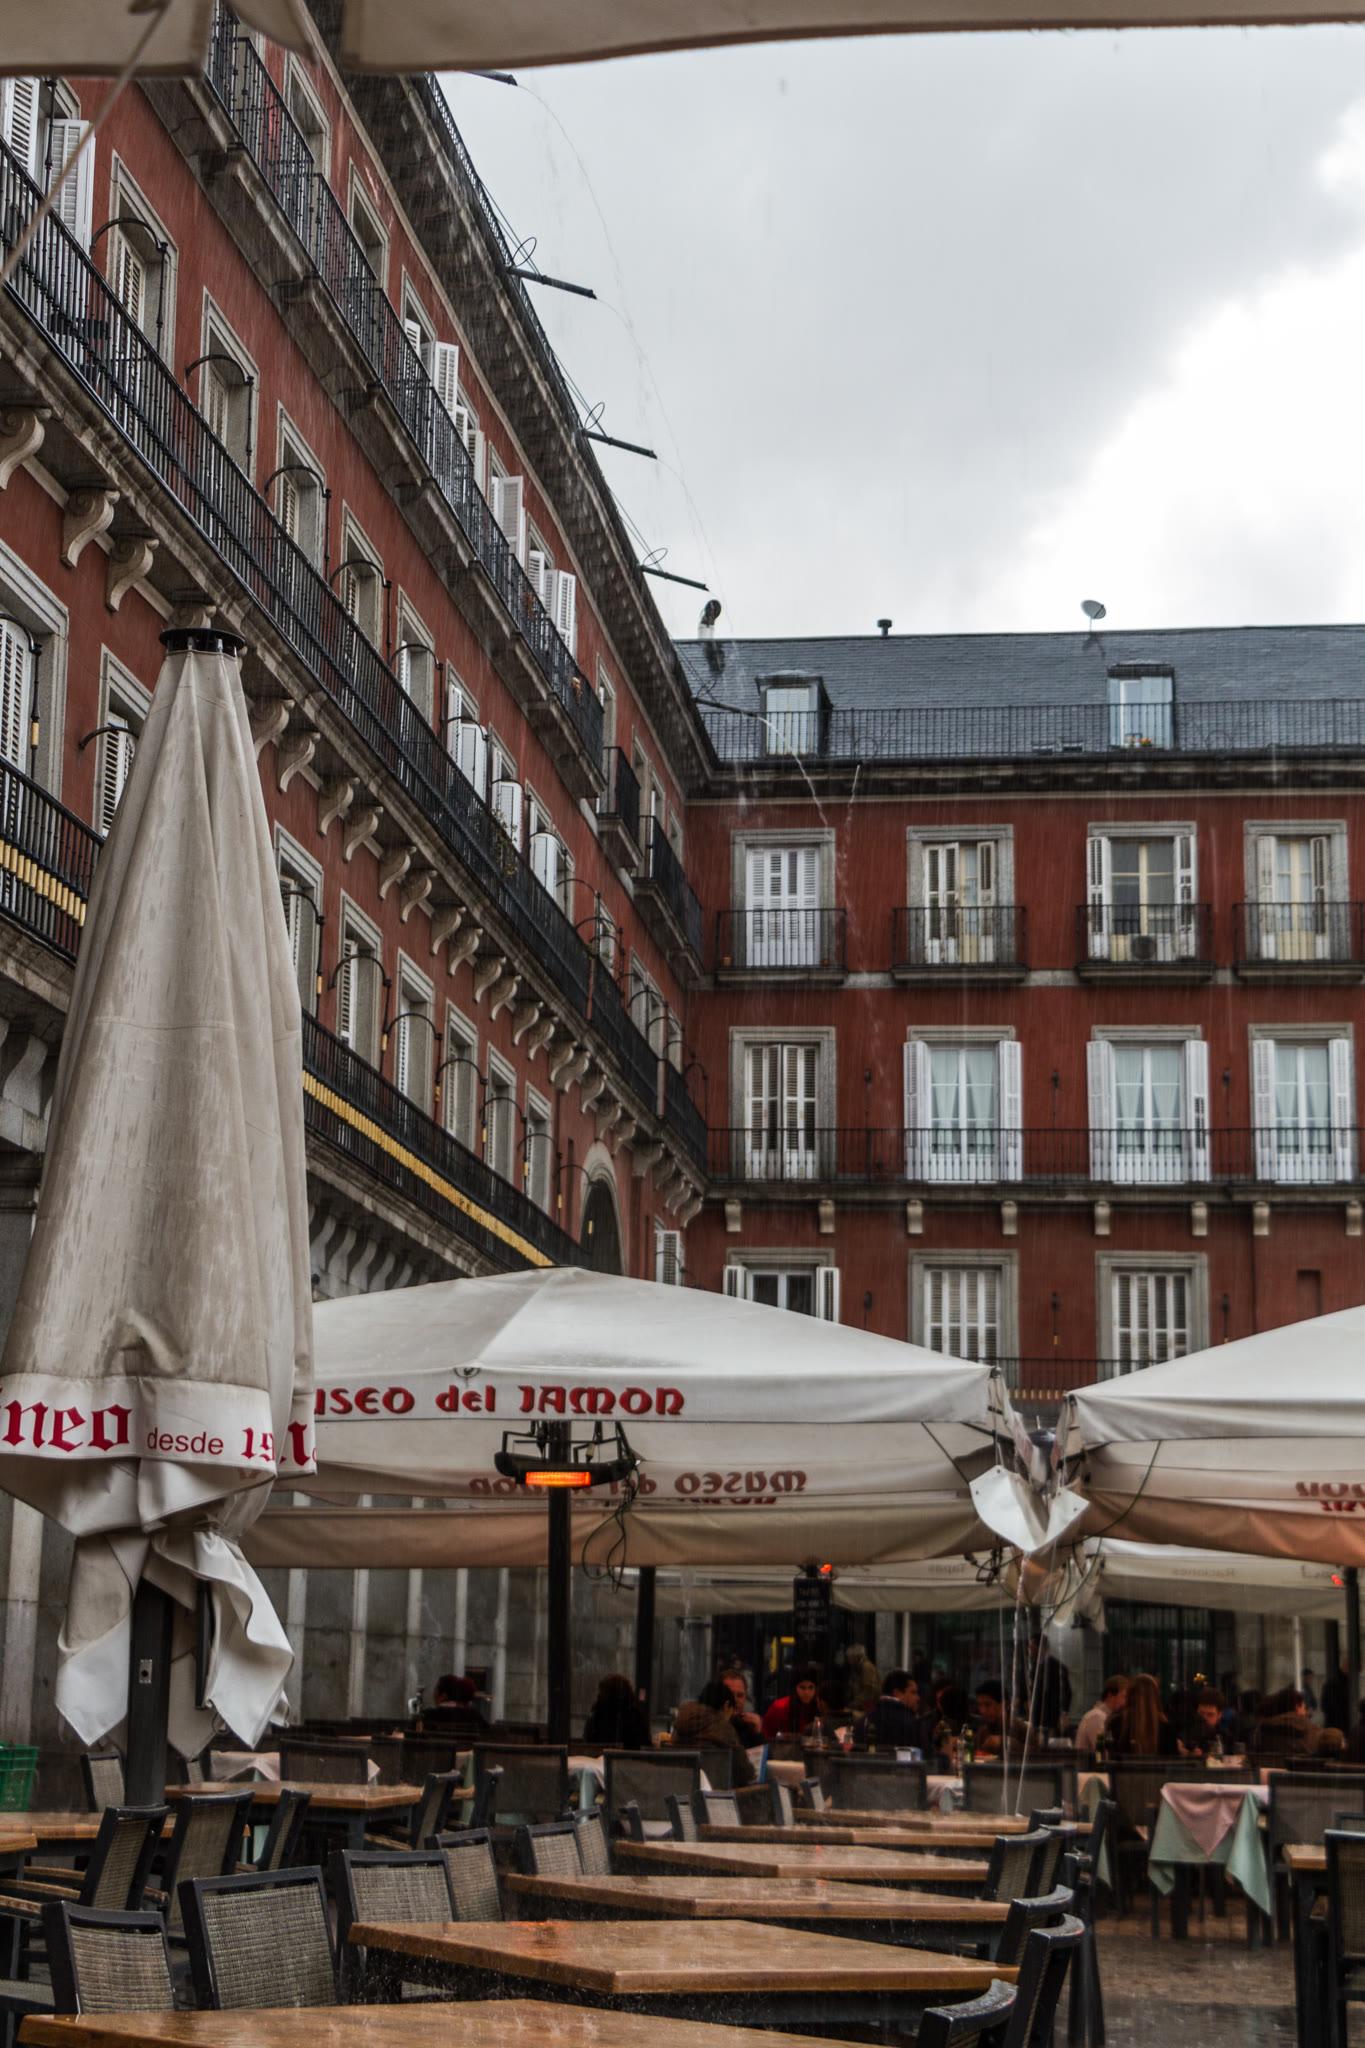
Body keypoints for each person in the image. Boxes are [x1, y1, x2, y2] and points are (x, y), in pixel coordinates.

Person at [674, 1680, 757, 1785]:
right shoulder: (722, 1728)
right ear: (726, 1705)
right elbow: (746, 1773)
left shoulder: (682, 1721)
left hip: (681, 1785)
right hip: (714, 1788)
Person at [1106, 1673, 1179, 1758]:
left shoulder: (1117, 1722)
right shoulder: (1165, 1727)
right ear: (1155, 1697)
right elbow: (1173, 1758)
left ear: (1130, 1696)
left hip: (1126, 1766)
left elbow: (1110, 1754)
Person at [854, 1670, 926, 1752]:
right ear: (897, 1693)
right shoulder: (912, 1724)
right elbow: (926, 1755)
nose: (918, 1698)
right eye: (913, 1692)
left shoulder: (863, 1721)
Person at [582, 1672, 651, 1750]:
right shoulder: (634, 1716)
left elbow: (588, 1745)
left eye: (602, 1691)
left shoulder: (596, 1715)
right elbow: (644, 1746)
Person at [1251, 1686, 1322, 1759]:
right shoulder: (1314, 1731)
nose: (1305, 1713)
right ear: (1297, 1707)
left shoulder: (1261, 1731)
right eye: (1304, 1708)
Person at [967, 1679, 1032, 1760]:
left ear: (1003, 1704)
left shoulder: (1021, 1729)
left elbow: (1037, 1753)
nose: (982, 1710)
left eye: (988, 1704)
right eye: (980, 1705)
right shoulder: (983, 1731)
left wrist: (1004, 1742)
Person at [761, 1666, 822, 1740]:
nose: (807, 1692)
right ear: (795, 1688)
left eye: (811, 1687)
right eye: (802, 1687)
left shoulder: (820, 1706)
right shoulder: (779, 1707)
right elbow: (766, 1736)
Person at [1075, 1675, 1129, 1756]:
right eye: (1124, 1697)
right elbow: (1102, 1752)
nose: (1126, 1702)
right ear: (1110, 1696)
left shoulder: (1105, 1717)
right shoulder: (1097, 1717)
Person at [1179, 1687, 1227, 1757]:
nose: (1204, 1718)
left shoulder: (1225, 1738)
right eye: (1201, 1713)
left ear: (1219, 1715)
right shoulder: (1186, 1734)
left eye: (1210, 1714)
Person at [720, 1670, 764, 1746]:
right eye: (730, 1694)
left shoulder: (748, 1726)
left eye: (740, 1695)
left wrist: (757, 1734)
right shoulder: (707, 1725)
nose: (735, 1700)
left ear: (745, 1698)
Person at [845, 1644, 882, 1713]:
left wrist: (855, 1703)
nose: (848, 1661)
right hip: (863, 1706)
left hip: (867, 1707)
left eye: (849, 1657)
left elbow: (869, 1690)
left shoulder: (866, 1668)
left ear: (855, 1657)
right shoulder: (858, 1668)